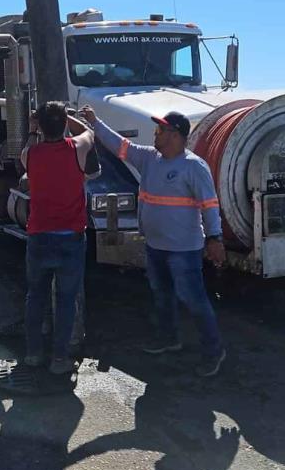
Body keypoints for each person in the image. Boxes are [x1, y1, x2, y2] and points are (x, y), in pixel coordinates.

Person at [81, 106, 227, 377]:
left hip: (184, 250)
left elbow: (209, 205)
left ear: (175, 135)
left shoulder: (193, 167)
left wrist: (215, 238)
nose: (155, 135)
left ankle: (213, 350)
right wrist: (94, 122)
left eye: (160, 131)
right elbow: (119, 146)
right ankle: (169, 339)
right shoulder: (149, 158)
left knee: (194, 300)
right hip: (156, 246)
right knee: (162, 296)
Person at [21, 101, 98, 374]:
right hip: (71, 239)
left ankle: (32, 354)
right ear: (63, 122)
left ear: (40, 126)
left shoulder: (30, 155)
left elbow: (28, 147)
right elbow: (89, 131)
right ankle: (59, 359)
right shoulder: (76, 149)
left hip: (39, 237)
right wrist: (70, 117)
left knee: (36, 297)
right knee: (66, 301)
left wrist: (32, 128)